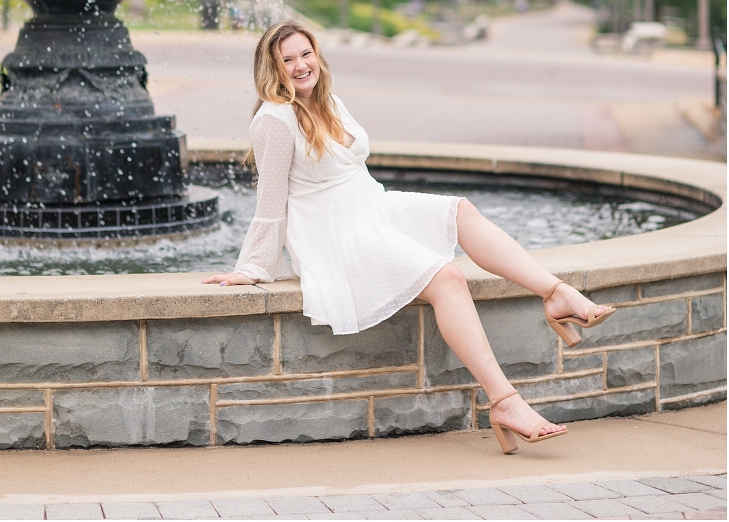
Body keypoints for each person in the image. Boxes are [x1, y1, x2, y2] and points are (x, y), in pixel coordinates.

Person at [203, 22, 615, 454]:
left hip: (371, 206)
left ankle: (556, 293)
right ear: (272, 69)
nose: (300, 65)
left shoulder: (329, 102)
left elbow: (351, 170)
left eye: (305, 54)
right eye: (287, 60)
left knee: (460, 211)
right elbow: (270, 206)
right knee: (448, 279)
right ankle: (505, 402)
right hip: (335, 234)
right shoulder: (274, 118)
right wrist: (251, 269)